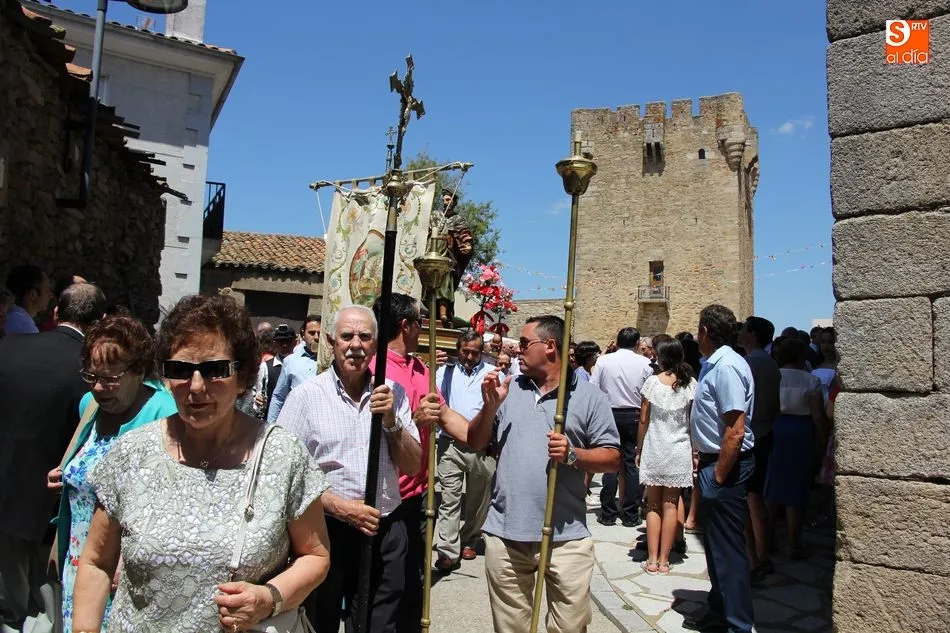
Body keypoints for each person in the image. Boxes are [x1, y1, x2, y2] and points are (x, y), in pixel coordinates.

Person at [71, 295, 331, 632]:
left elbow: (315, 556)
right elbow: (96, 562)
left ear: (242, 376)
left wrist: (269, 598)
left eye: (214, 370)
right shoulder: (132, 454)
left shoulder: (283, 456)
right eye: (180, 370)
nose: (196, 386)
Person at [422, 315, 620, 633]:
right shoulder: (510, 388)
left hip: (565, 538)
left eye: (525, 343)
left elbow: (612, 458)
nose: (518, 350)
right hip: (506, 535)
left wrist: (574, 454)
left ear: (550, 346)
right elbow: (476, 441)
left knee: (570, 627)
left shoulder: (589, 397)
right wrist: (489, 407)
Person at [277, 305, 421, 633]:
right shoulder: (306, 397)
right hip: (324, 531)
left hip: (384, 527)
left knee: (378, 625)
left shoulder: (392, 394)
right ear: (332, 342)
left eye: (364, 337)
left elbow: (413, 465)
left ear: (375, 344)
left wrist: (392, 422)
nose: (355, 344)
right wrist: (338, 506)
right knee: (319, 621)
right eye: (347, 336)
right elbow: (284, 474)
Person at [47, 314, 178, 632]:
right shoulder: (89, 406)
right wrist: (67, 477)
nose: (98, 387)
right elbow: (90, 469)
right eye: (91, 376)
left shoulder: (165, 413)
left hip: (124, 572)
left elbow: (173, 498)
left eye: (110, 378)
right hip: (79, 562)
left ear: (139, 371)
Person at [0, 283, 106, 627]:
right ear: (100, 321)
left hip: (4, 499)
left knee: (7, 610)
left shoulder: (8, 347)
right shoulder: (93, 373)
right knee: (46, 614)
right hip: (52, 511)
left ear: (57, 312)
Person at [371, 293, 445, 633]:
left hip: (418, 495)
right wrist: (414, 420)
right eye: (420, 323)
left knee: (413, 587)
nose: (423, 330)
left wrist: (488, 412)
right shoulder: (374, 370)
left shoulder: (421, 368)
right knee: (387, 592)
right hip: (388, 498)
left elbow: (447, 417)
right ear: (406, 326)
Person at [684, 304, 756, 633]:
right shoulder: (716, 364)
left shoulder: (726, 367)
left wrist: (718, 476)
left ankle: (737, 623)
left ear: (705, 331)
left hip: (725, 466)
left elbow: (735, 429)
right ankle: (720, 610)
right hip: (714, 462)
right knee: (716, 548)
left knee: (727, 551)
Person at [434, 329, 495, 571]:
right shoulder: (444, 372)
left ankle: (469, 539)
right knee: (449, 498)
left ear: (481, 352)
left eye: (474, 352)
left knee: (478, 500)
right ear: (458, 349)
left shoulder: (491, 373)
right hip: (450, 444)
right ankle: (448, 550)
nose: (469, 357)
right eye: (465, 351)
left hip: (482, 446)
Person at [635, 334, 696, 575]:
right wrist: (695, 450)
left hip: (655, 446)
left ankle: (651, 559)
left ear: (661, 358)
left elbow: (643, 419)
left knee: (653, 505)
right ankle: (664, 560)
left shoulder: (652, 383)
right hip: (679, 448)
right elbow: (693, 421)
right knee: (671, 504)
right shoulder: (690, 383)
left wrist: (639, 448)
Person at [765, 338, 827, 559]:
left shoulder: (773, 376)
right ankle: (793, 542)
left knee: (771, 484)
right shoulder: (811, 380)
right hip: (800, 431)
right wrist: (823, 439)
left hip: (775, 428)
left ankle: (768, 538)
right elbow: (818, 415)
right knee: (797, 487)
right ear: (801, 357)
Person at [592, 327, 654, 527]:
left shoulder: (603, 361)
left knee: (609, 462)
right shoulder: (645, 363)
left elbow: (593, 387)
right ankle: (630, 513)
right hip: (634, 415)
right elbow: (648, 394)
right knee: (631, 464)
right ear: (636, 344)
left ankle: (608, 512)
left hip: (608, 413)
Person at [738, 316, 782, 583]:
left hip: (750, 438)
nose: (740, 332)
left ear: (752, 335)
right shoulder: (770, 363)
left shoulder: (749, 363)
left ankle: (754, 558)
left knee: (749, 500)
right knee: (756, 497)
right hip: (765, 433)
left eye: (744, 329)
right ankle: (762, 553)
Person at [267, 314, 323, 422]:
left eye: (320, 333)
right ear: (303, 335)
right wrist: (271, 426)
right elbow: (279, 397)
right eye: (311, 333)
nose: (316, 337)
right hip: (298, 422)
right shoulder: (290, 361)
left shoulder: (334, 361)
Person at [432, 189, 474, 326]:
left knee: (445, 281)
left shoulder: (458, 219)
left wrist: (467, 245)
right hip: (432, 252)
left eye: (448, 200)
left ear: (454, 202)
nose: (446, 202)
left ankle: (443, 313)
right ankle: (428, 310)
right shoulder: (435, 216)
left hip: (447, 255)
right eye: (444, 200)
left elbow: (464, 234)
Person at [3, 264, 54, 335]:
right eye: (47, 290)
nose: (51, 296)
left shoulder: (13, 317)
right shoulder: (22, 324)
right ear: (33, 294)